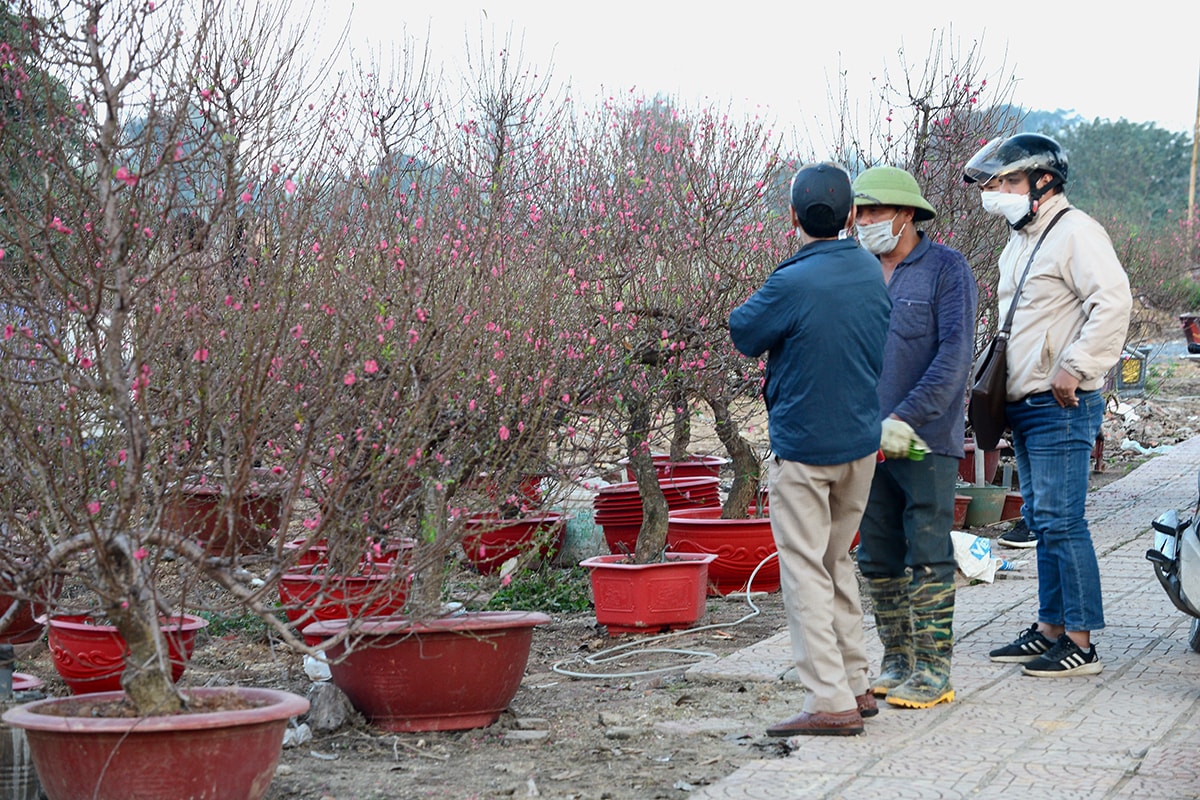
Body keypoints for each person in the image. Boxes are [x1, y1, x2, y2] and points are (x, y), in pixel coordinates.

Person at [730, 162, 891, 736]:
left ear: (793, 216)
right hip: (859, 446)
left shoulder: (792, 280)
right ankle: (857, 683)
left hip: (804, 449)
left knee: (803, 569)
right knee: (835, 560)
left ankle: (829, 701)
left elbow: (744, 331)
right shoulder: (871, 272)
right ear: (851, 216)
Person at [963, 133, 1132, 677]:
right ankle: (1050, 629)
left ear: (1043, 181)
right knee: (1042, 519)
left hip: (1061, 399)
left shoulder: (1076, 231)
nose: (998, 191)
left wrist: (1078, 366)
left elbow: (1113, 301)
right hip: (1029, 400)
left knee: (1062, 521)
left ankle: (1080, 643)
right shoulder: (1019, 241)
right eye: (995, 182)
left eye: (1009, 181)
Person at [851, 166, 978, 708]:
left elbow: (954, 356)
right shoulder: (857, 271)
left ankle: (933, 670)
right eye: (859, 212)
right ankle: (897, 659)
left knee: (927, 550)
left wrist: (905, 416)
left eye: (875, 211)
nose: (864, 222)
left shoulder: (947, 269)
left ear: (906, 214)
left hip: (923, 438)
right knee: (878, 555)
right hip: (864, 439)